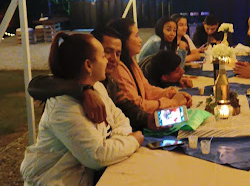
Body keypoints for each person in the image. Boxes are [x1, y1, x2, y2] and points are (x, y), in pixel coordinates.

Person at [20, 32, 144, 186]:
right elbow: (96, 155)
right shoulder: (63, 106)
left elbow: (120, 120)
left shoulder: (96, 88)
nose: (108, 60)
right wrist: (132, 140)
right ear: (88, 64)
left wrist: (117, 139)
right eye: (103, 55)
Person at [28, 27, 156, 131]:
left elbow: (126, 106)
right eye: (107, 51)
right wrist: (84, 90)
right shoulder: (74, 79)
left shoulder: (109, 81)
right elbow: (35, 85)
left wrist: (149, 119)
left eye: (118, 54)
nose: (113, 59)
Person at [109, 18, 192, 113]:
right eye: (136, 36)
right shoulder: (118, 69)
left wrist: (172, 94)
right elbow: (137, 106)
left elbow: (147, 89)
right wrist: (173, 102)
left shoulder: (130, 61)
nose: (140, 40)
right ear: (123, 40)